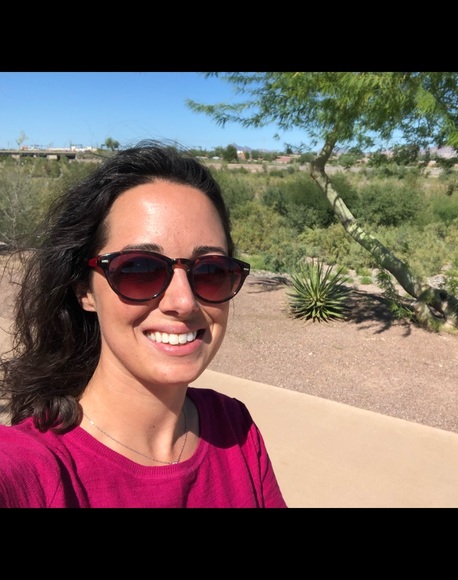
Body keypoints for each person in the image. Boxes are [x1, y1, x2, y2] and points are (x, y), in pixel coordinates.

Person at [0, 140, 287, 508]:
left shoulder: (234, 427)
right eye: (139, 269)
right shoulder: (34, 470)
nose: (183, 302)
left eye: (211, 271)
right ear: (84, 290)